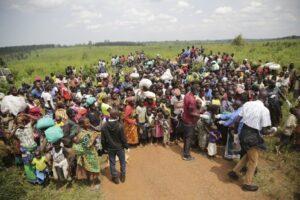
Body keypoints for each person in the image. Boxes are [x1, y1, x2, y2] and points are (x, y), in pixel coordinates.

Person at [228, 89, 272, 192]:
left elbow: (237, 120)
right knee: (253, 160)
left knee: (248, 155)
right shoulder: (265, 110)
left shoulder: (248, 104)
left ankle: (234, 172)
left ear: (257, 95)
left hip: (243, 132)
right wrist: (273, 130)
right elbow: (265, 131)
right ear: (265, 99)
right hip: (252, 135)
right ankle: (247, 183)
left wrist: (236, 135)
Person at [101, 109, 128, 184]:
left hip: (110, 147)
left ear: (110, 115)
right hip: (120, 147)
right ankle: (123, 175)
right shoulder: (120, 126)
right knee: (122, 161)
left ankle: (115, 178)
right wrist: (126, 146)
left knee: (112, 163)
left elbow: (103, 139)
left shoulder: (104, 126)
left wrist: (104, 148)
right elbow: (123, 138)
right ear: (116, 116)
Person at [73, 118, 101, 190]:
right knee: (92, 169)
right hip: (90, 154)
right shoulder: (85, 134)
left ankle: (92, 183)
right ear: (82, 124)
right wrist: (94, 138)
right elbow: (88, 145)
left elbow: (77, 141)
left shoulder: (84, 132)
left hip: (88, 153)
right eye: (87, 123)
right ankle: (92, 185)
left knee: (90, 169)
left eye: (89, 122)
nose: (89, 124)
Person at [181, 84, 201, 161]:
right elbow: (191, 113)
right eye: (197, 90)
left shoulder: (187, 94)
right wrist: (200, 115)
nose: (198, 91)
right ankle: (186, 155)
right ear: (194, 90)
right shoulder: (191, 100)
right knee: (189, 138)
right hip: (189, 121)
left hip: (185, 119)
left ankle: (184, 151)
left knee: (186, 137)